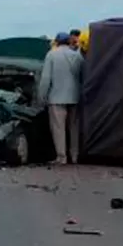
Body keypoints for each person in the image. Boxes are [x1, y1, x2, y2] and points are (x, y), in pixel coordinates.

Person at [39, 32, 85, 165]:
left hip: (56, 97)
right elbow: (82, 77)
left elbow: (46, 79)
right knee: (74, 128)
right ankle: (75, 156)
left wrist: (42, 96)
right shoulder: (77, 56)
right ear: (69, 41)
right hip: (75, 97)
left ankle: (61, 157)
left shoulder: (51, 55)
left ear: (57, 42)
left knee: (58, 128)